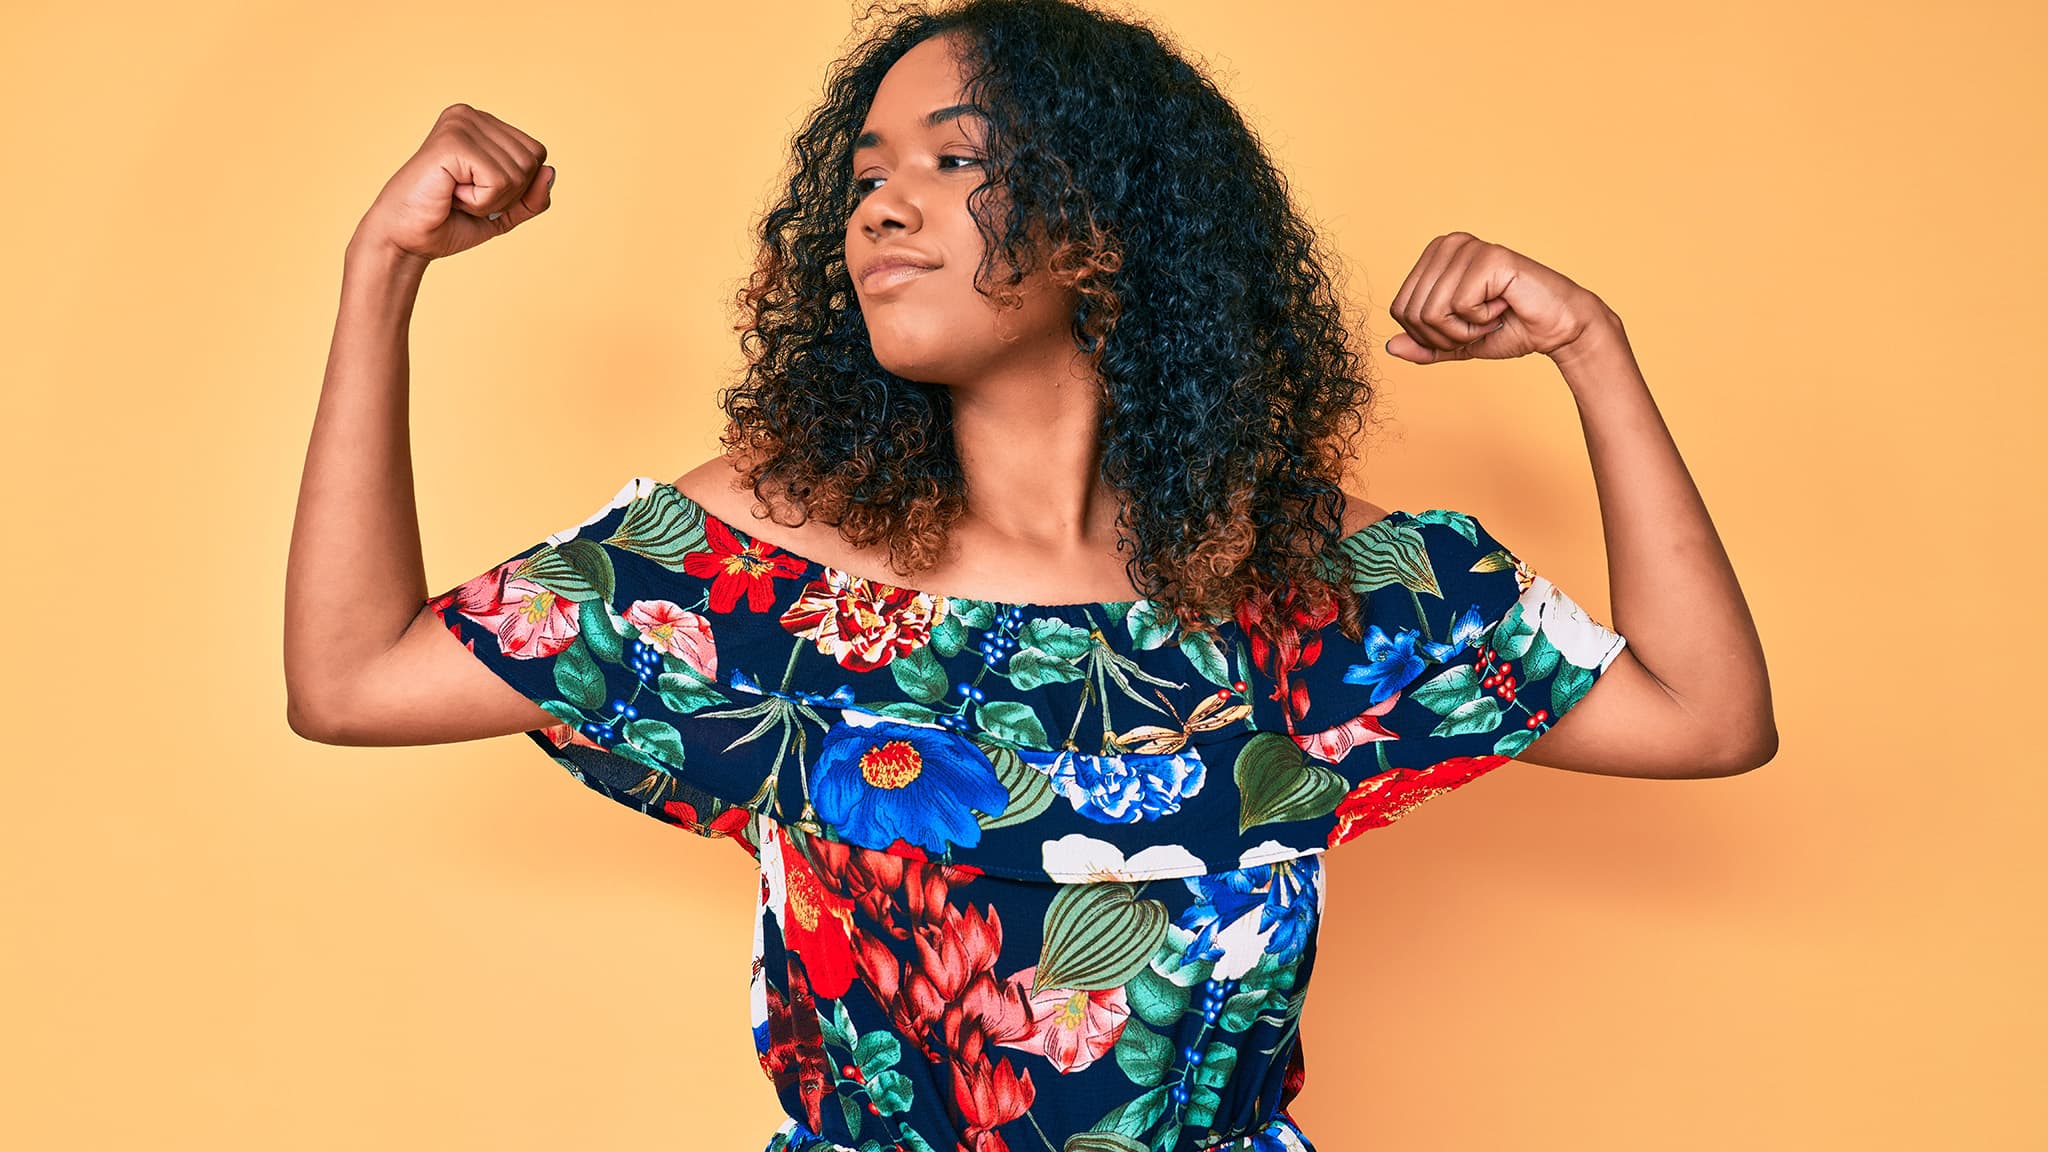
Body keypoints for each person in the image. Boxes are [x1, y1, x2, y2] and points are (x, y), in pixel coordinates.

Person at [283, 1, 1777, 1148]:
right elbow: (350, 682)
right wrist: (382, 270)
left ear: (1109, 231)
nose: (880, 207)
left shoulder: (1310, 592)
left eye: (954, 162)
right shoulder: (759, 575)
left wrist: (1591, 349)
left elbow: (1709, 718)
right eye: (866, 176)